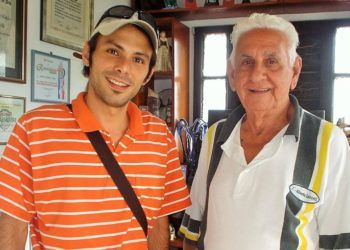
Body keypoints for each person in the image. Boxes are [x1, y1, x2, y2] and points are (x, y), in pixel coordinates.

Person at [0, 5, 191, 249]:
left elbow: (158, 221)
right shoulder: (34, 129)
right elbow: (13, 223)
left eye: (138, 59)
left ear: (147, 74)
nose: (123, 67)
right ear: (88, 54)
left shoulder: (159, 137)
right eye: (113, 51)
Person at [179, 13, 350, 250]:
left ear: (295, 71)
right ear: (232, 74)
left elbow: (340, 243)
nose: (257, 74)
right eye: (247, 61)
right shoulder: (215, 136)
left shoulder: (329, 142)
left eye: (272, 61)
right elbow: (193, 232)